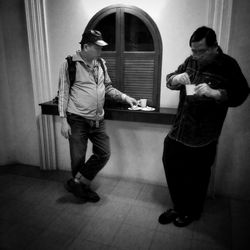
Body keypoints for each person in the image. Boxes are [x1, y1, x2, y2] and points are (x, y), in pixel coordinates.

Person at [159, 26, 249, 227]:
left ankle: (191, 212)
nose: (195, 55)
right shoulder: (190, 62)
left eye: (200, 51)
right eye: (193, 50)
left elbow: (242, 93)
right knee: (171, 165)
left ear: (214, 47)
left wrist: (216, 93)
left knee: (196, 178)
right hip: (179, 131)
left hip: (203, 137)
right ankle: (178, 206)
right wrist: (175, 79)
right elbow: (169, 81)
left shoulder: (228, 65)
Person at [58, 29, 137, 202]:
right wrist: (63, 121)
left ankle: (76, 183)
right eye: (98, 47)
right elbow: (63, 93)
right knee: (78, 158)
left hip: (97, 119)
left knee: (104, 152)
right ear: (86, 46)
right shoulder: (69, 64)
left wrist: (125, 98)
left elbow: (107, 88)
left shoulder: (100, 63)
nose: (101, 51)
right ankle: (82, 188)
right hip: (77, 119)